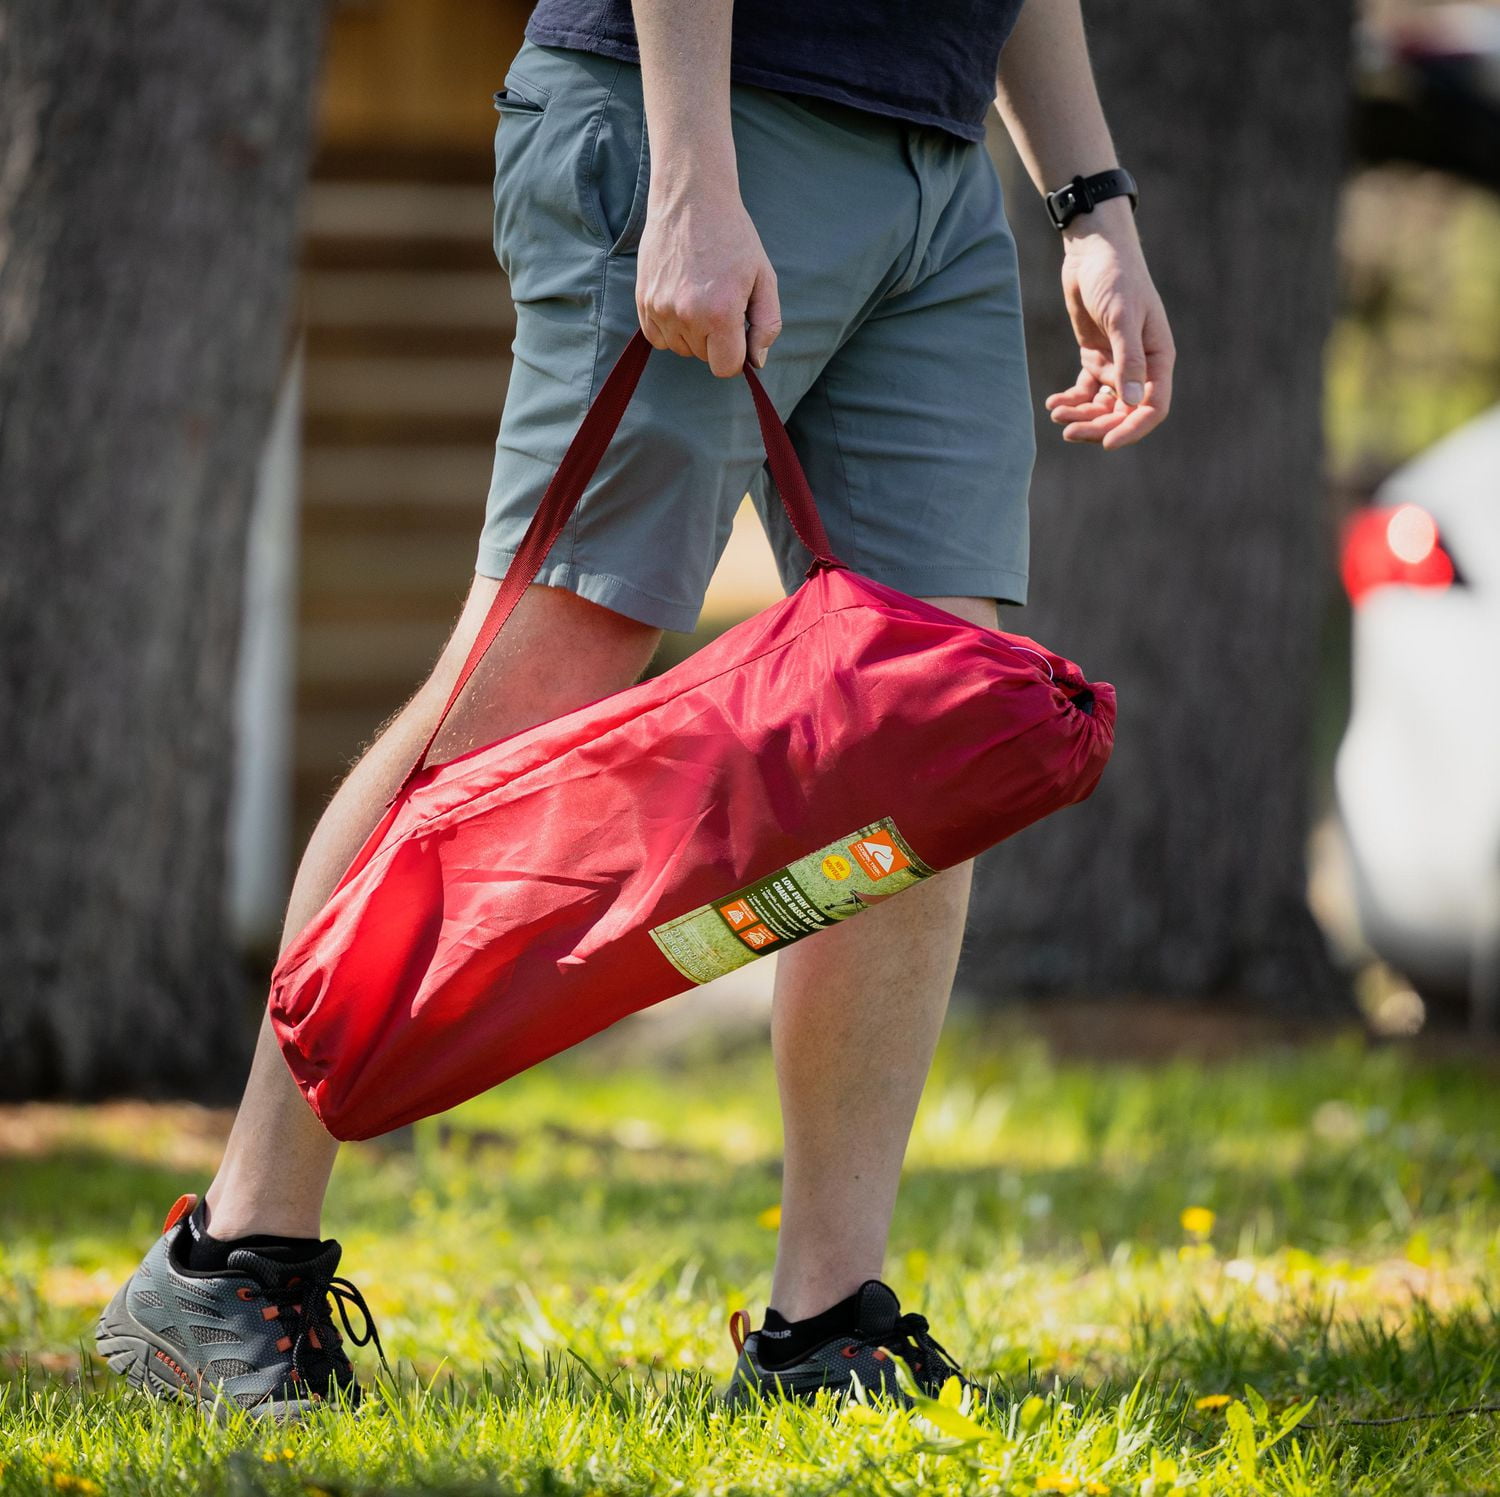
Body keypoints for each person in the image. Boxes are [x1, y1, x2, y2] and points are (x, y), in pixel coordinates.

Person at [95, 0, 1173, 1416]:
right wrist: (688, 169)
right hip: (710, 115)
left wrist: (1091, 202)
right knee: (528, 681)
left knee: (927, 729)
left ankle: (823, 1323)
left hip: (936, 158)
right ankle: (235, 1252)